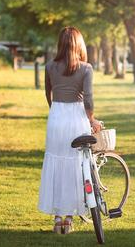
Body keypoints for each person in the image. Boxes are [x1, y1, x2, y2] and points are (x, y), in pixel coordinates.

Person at [38, 27, 102, 234]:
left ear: (61, 44)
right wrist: (92, 120)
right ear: (79, 44)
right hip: (76, 119)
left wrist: (57, 111)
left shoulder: (49, 67)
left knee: (57, 164)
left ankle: (57, 219)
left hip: (56, 117)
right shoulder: (86, 68)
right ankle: (68, 218)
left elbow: (49, 95)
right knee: (75, 167)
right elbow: (89, 100)